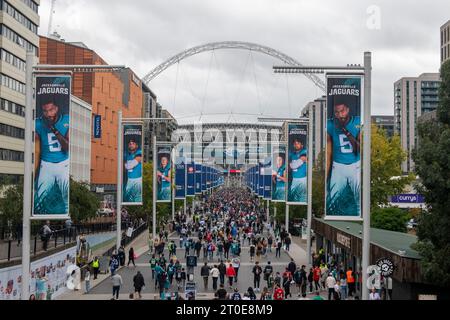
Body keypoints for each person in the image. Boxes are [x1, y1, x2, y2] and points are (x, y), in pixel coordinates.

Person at [326, 97, 361, 216]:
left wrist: (345, 131)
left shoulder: (357, 122)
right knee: (333, 202)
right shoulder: (330, 124)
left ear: (348, 110)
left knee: (360, 201)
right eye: (337, 112)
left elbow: (359, 149)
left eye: (342, 111)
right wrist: (326, 175)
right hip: (338, 166)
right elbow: (328, 152)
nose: (340, 115)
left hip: (355, 165)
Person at [34, 98, 70, 215]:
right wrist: (34, 173)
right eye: (45, 111)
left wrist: (54, 129)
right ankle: (44, 225)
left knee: (66, 197)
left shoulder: (66, 120)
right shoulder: (38, 123)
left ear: (56, 109)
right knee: (39, 200)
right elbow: (37, 151)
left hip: (63, 163)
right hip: (46, 164)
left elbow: (67, 147)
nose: (48, 114)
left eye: (51, 110)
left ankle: (67, 223)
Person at [288, 137, 308, 203]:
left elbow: (294, 165)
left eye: (298, 143)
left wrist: (291, 164)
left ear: (302, 145)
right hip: (294, 179)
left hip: (302, 179)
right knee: (293, 199)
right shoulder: (293, 154)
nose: (296, 145)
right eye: (295, 143)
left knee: (302, 198)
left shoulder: (304, 151)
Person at [123, 138, 142, 203]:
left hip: (137, 180)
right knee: (128, 198)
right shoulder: (128, 154)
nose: (131, 145)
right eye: (130, 144)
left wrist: (126, 164)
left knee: (137, 198)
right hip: (129, 179)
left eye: (133, 144)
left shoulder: (139, 152)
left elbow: (129, 166)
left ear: (136, 145)